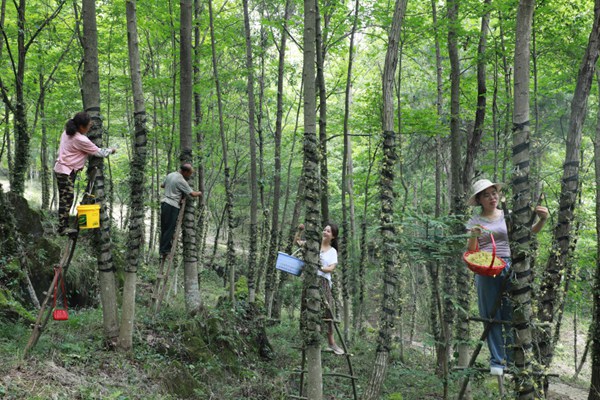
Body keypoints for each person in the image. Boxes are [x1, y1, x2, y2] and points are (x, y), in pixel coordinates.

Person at [466, 179, 549, 376]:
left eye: (494, 193)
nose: (492, 198)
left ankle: (512, 361)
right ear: (479, 200)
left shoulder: (507, 216)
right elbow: (470, 251)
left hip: (511, 266)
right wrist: (474, 236)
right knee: (491, 314)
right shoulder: (474, 221)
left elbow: (526, 235)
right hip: (486, 267)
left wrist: (543, 220)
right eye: (486, 195)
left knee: (512, 312)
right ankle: (497, 361)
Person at [54, 111, 116, 235]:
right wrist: (112, 150)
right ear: (81, 127)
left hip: (62, 169)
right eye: (88, 126)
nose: (89, 128)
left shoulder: (67, 132)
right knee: (67, 199)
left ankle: (63, 226)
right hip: (66, 171)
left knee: (65, 198)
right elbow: (100, 153)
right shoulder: (80, 139)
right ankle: (62, 228)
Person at [295, 222, 345, 355]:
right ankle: (306, 339)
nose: (325, 232)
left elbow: (331, 269)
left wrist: (319, 267)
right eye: (324, 230)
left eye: (328, 231)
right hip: (310, 281)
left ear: (333, 236)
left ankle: (331, 342)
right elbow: (298, 242)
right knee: (306, 308)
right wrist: (300, 231)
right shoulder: (314, 245)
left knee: (327, 312)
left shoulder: (332, 251)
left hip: (323, 282)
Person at [160, 163, 202, 259]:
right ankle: (165, 250)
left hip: (164, 203)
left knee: (164, 227)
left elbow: (162, 185)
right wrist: (200, 192)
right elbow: (193, 194)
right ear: (185, 172)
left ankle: (163, 249)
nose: (189, 176)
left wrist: (172, 188)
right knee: (170, 228)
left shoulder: (170, 175)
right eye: (189, 174)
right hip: (172, 206)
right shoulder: (181, 180)